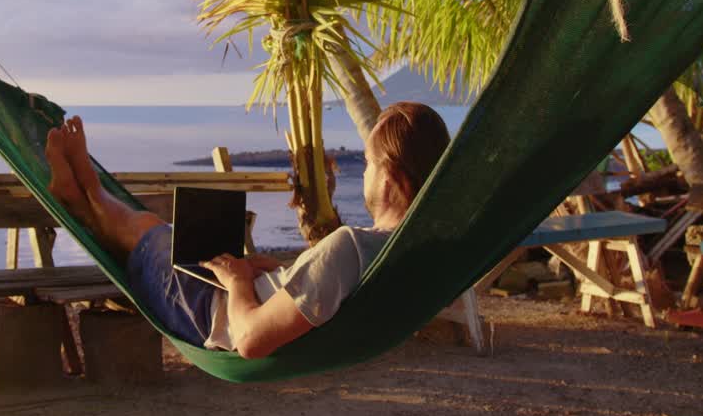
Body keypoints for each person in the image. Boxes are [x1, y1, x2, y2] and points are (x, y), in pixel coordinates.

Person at [44, 101, 449, 359]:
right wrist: (279, 274)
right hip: (243, 293)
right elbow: (325, 297)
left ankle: (84, 194)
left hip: (214, 312)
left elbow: (251, 340)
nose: (362, 174)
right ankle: (84, 191)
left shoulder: (349, 246)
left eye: (366, 164)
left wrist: (238, 281)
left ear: (389, 177)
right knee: (175, 237)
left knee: (149, 233)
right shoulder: (410, 252)